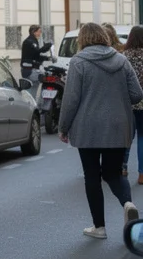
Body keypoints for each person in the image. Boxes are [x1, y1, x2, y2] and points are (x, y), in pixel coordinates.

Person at [59, 22, 142, 238]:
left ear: (83, 39)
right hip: (118, 126)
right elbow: (137, 94)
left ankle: (99, 227)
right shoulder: (121, 60)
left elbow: (71, 99)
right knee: (113, 173)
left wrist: (63, 127)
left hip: (87, 129)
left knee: (92, 176)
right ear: (104, 37)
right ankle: (127, 203)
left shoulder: (78, 62)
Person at [122, 26, 143, 184]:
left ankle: (123, 167)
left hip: (126, 102)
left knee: (127, 137)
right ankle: (142, 174)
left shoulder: (123, 56)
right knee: (142, 138)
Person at [20, 25, 53, 98]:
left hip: (30, 70)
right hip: (29, 70)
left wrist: (47, 58)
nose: (40, 33)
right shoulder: (30, 41)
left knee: (32, 91)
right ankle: (34, 105)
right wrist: (46, 47)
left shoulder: (33, 40)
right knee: (42, 82)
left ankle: (32, 104)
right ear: (33, 32)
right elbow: (37, 52)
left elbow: (36, 55)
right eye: (39, 32)